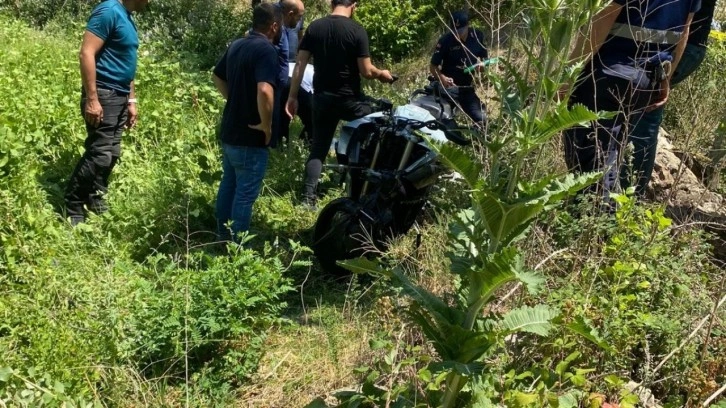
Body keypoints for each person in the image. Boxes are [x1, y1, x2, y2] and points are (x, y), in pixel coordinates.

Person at [561, 0, 699, 200]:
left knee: (591, 160)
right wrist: (665, 79)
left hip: (609, 73)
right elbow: (685, 29)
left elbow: (605, 16)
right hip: (647, 79)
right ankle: (599, 218)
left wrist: (568, 76)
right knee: (608, 155)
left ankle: (595, 220)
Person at [285, 0, 394, 209]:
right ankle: (364, 181)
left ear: (332, 4)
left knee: (318, 148)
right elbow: (366, 71)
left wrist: (292, 97)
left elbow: (300, 64)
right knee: (383, 116)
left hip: (322, 99)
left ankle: (308, 199)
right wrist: (383, 74)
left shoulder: (315, 27)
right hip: (349, 102)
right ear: (353, 5)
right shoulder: (357, 30)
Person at [64, 0, 150, 226]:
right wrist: (92, 99)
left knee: (112, 152)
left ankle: (95, 197)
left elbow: (127, 63)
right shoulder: (109, 10)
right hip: (103, 93)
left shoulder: (127, 18)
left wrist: (131, 100)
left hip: (120, 95)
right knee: (99, 152)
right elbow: (86, 53)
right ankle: (73, 205)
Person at [627, 0, 717, 196]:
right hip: (684, 45)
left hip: (676, 46)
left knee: (643, 115)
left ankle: (628, 194)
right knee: (642, 114)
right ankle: (626, 194)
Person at [212, 3, 282, 242]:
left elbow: (217, 76)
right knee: (244, 195)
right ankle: (237, 247)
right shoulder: (266, 50)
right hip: (250, 137)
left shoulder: (237, 45)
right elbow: (264, 90)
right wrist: (266, 124)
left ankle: (223, 237)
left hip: (231, 131)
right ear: (274, 26)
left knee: (229, 185)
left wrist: (234, 98)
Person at [430, 10, 488, 128]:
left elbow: (485, 59)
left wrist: (482, 65)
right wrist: (442, 78)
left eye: (460, 30)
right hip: (447, 88)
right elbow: (433, 66)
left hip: (466, 88)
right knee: (442, 122)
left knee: (482, 119)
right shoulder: (445, 41)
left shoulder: (477, 36)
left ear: (467, 26)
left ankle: (478, 143)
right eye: (455, 31)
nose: (458, 34)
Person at [272, 0, 305, 147]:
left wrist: (302, 57)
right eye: (298, 17)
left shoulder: (295, 11)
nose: (299, 20)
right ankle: (275, 144)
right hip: (273, 74)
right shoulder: (271, 14)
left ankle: (282, 144)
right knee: (276, 110)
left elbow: (300, 37)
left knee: (285, 108)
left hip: (290, 67)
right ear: (290, 14)